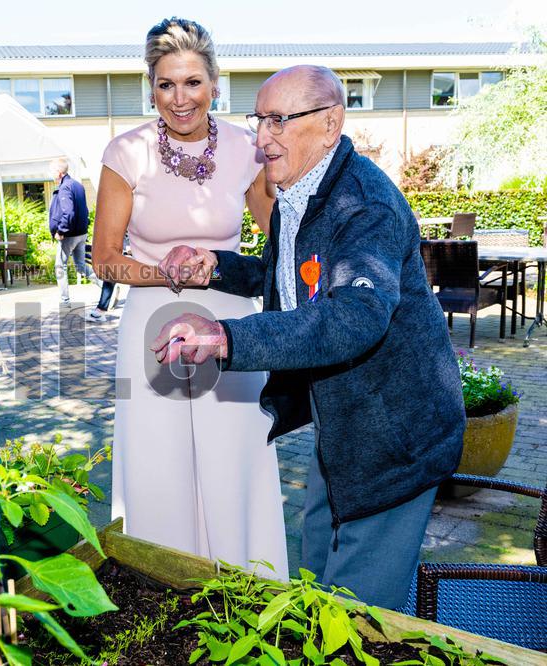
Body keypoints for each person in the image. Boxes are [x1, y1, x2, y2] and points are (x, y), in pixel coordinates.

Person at [151, 65, 465, 609]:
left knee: (357, 614)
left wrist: (228, 337)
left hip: (394, 435)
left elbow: (354, 316)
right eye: (259, 120)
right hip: (341, 424)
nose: (261, 139)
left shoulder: (364, 204)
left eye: (278, 120)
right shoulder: (302, 191)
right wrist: (218, 267)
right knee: (315, 578)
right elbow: (293, 280)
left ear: (330, 123)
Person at [91, 17, 286, 577]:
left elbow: (281, 239)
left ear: (215, 84)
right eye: (166, 84)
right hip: (154, 324)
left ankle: (247, 579)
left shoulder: (250, 149)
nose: (181, 99)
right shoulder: (125, 153)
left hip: (231, 324)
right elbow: (104, 257)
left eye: (193, 83)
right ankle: (163, 580)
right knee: (159, 458)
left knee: (234, 451)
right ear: (151, 88)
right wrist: (170, 275)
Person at [49, 157, 102, 305]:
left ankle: (64, 301)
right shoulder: (78, 185)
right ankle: (104, 287)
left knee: (60, 266)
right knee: (80, 265)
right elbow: (84, 210)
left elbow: (68, 213)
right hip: (81, 233)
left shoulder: (65, 187)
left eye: (52, 171)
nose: (51, 174)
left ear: (59, 172)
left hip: (69, 235)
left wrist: (61, 231)